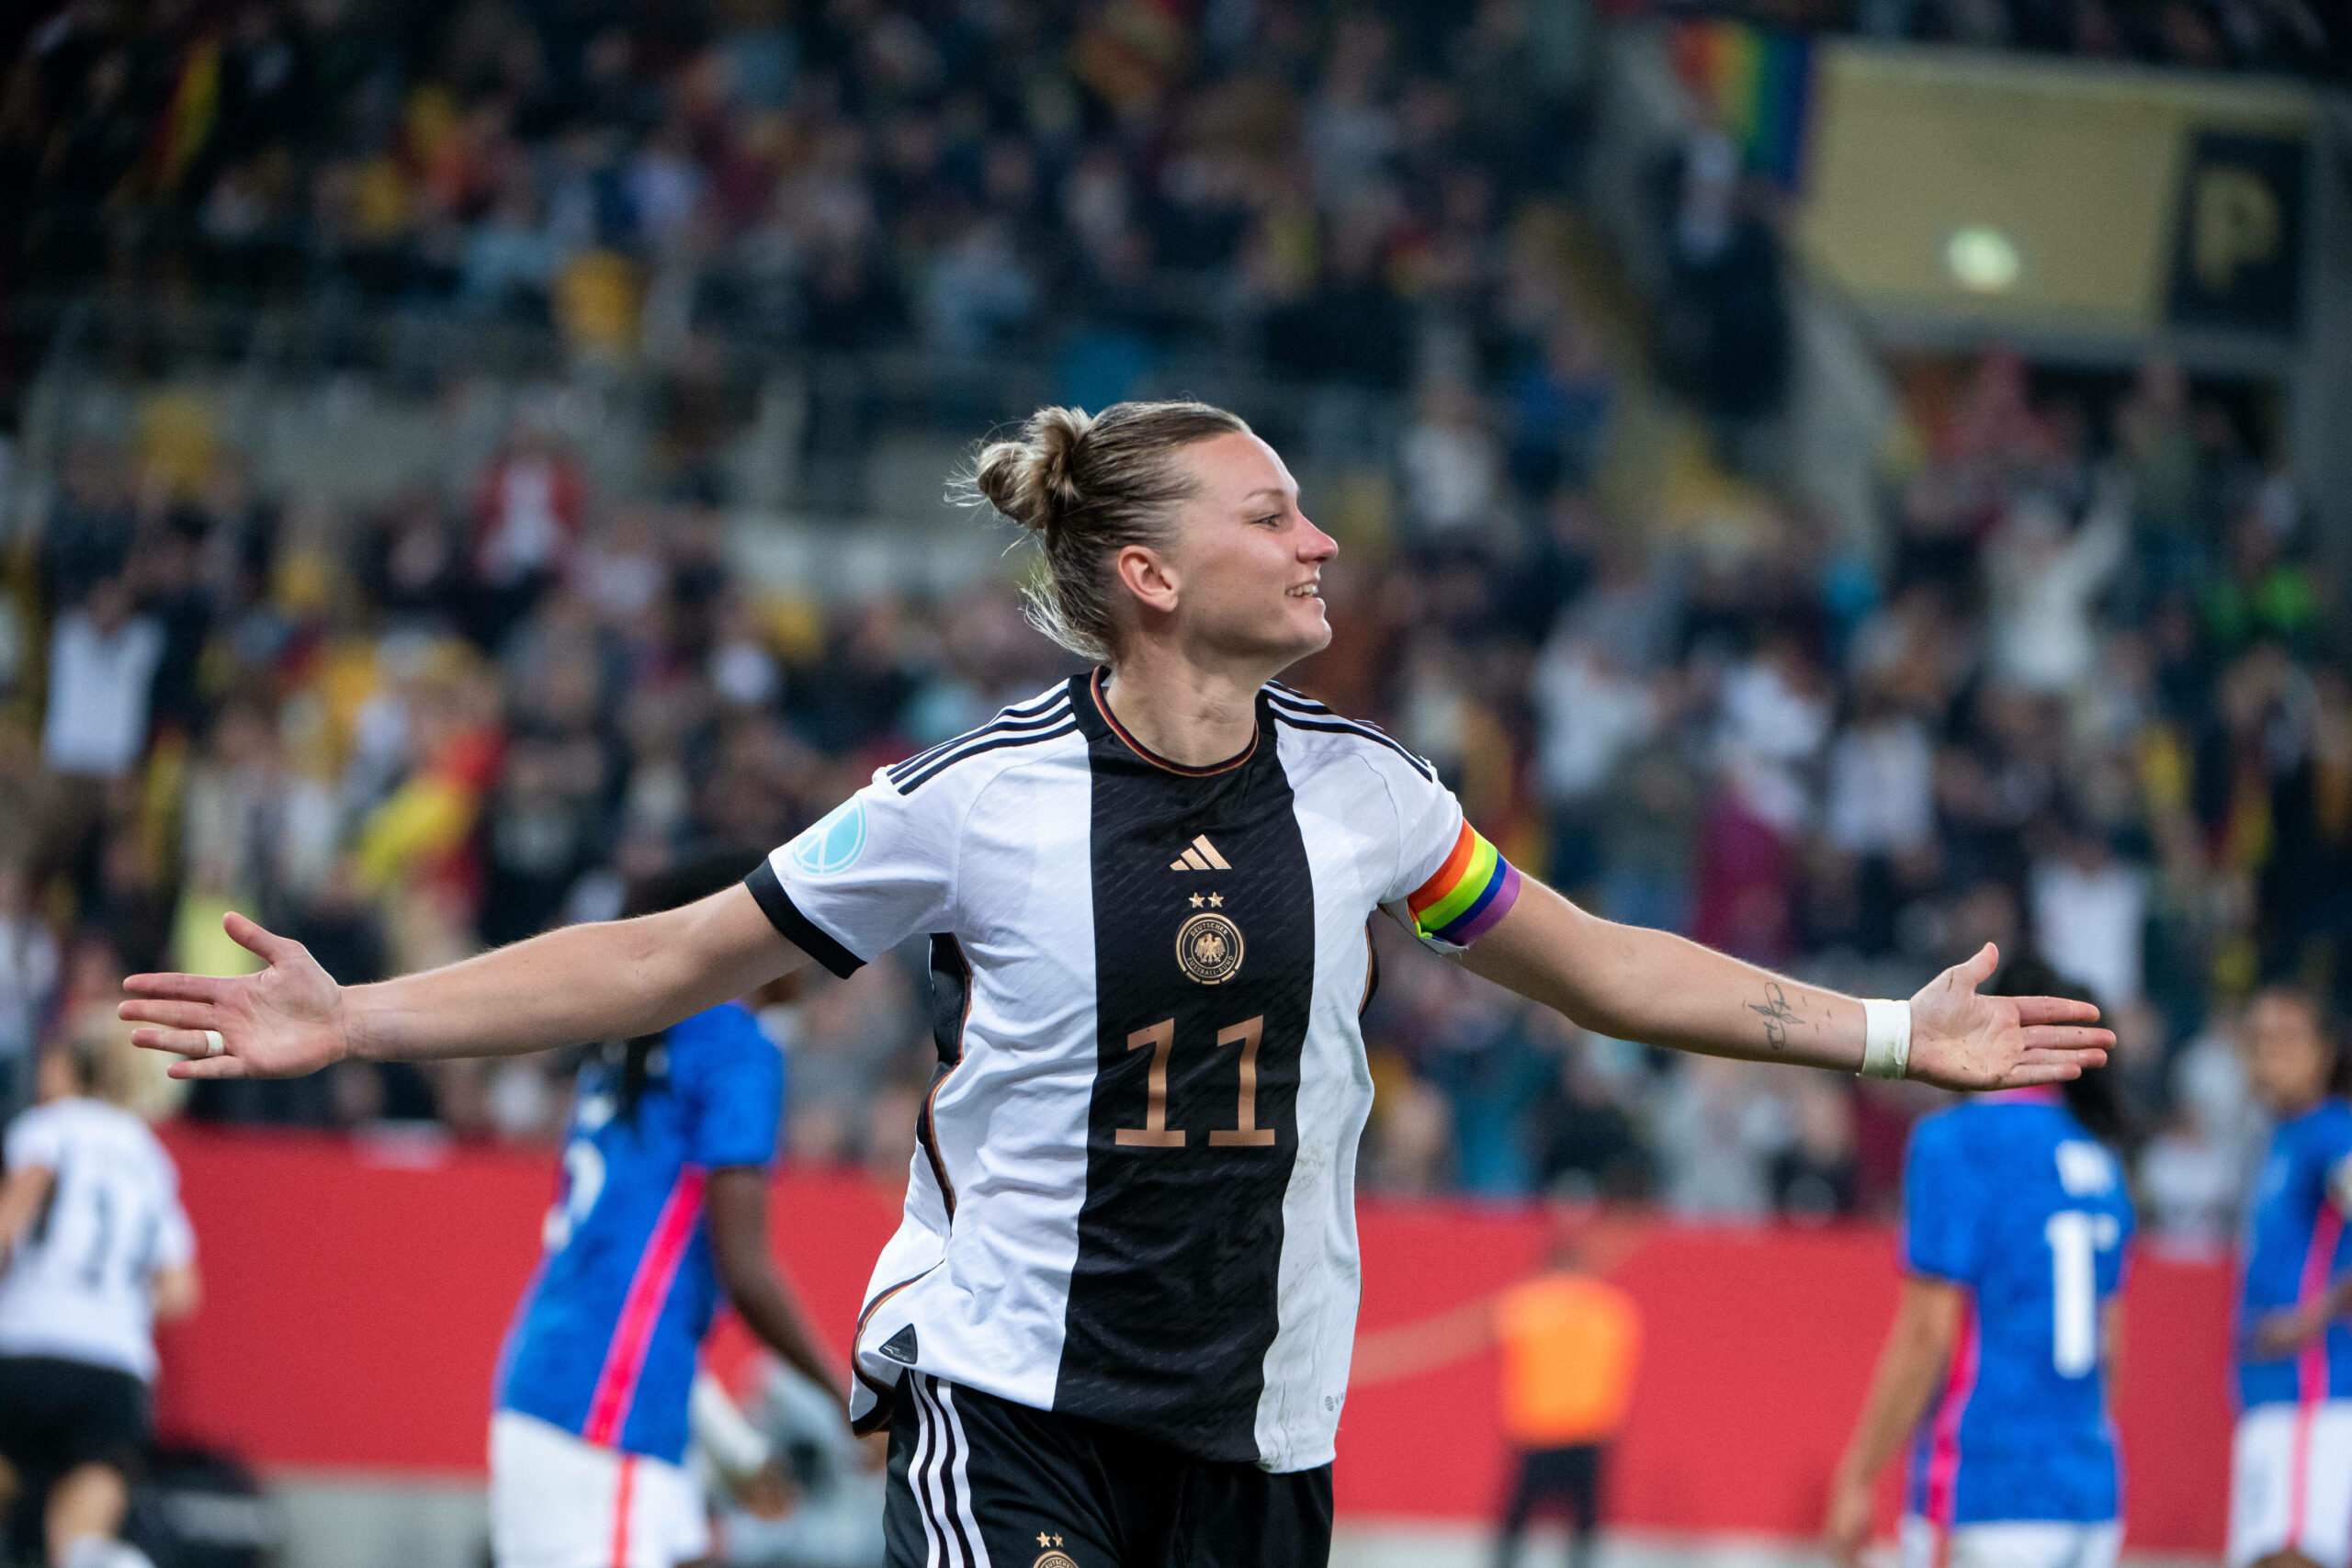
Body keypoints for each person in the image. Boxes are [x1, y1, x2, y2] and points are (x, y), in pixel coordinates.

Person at [120, 400, 2112, 1568]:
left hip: (1259, 1428)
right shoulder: (960, 804)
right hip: (1004, 1392)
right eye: (1271, 514)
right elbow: (668, 951)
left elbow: (1594, 967)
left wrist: (1884, 1035)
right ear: (1150, 573)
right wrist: (359, 1013)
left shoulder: (1370, 797)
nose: (1320, 538)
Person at [491, 850, 843, 1568]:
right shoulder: (736, 1046)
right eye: (801, 913)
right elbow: (746, 1271)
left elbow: (640, 1300)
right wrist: (850, 1402)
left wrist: (732, 1447)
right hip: (602, 1420)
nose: (821, 939)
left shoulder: (636, 1040)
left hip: (557, 1389)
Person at [1824, 958, 2135, 1568]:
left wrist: (1856, 1476)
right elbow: (2113, 1348)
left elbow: (1927, 1335)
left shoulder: (1957, 1141)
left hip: (1990, 1480)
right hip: (2091, 1488)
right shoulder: (2099, 1156)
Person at [0, 1029, 200, 1568]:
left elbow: (6, 1230)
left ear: (68, 1066)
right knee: (81, 1534)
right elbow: (181, 1290)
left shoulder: (48, 1128)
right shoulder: (149, 1154)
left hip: (27, 1341)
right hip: (115, 1365)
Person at [1351, 1208, 1643, 1568]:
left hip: (1538, 1433)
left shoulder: (1529, 1303)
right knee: (1583, 1527)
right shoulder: (1613, 1309)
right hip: (1590, 1436)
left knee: (1514, 1528)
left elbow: (1487, 1332)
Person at [2228, 987, 2352, 1568]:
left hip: (2313, 1394)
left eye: (2285, 1041)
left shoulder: (2332, 1134)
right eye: (2258, 1043)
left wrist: (2318, 1314)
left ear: (2325, 1052)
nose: (2267, 1057)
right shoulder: (2283, 1136)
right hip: (2275, 1396)